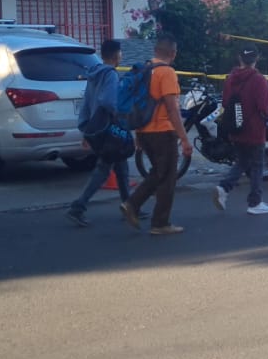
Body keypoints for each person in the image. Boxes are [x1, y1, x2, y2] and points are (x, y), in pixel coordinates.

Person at [121, 35, 192, 236]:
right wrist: (184, 138)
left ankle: (134, 205)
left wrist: (138, 134)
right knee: (168, 177)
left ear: (155, 51)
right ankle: (158, 222)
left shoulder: (144, 69)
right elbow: (172, 109)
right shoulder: (166, 72)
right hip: (163, 131)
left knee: (158, 173)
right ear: (173, 53)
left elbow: (139, 104)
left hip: (144, 131)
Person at [66, 39, 138, 228]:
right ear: (116, 55)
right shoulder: (111, 75)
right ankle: (78, 206)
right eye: (120, 53)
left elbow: (89, 103)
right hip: (110, 129)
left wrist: (87, 130)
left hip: (97, 128)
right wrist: (121, 116)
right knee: (103, 169)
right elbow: (109, 101)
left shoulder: (95, 74)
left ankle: (129, 206)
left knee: (121, 167)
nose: (121, 56)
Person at [212, 46, 268, 216]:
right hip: (254, 129)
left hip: (235, 128)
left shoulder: (231, 79)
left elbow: (225, 102)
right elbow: (264, 107)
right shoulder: (259, 80)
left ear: (239, 59)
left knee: (242, 161)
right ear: (257, 59)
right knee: (257, 165)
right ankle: (255, 202)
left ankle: (224, 187)